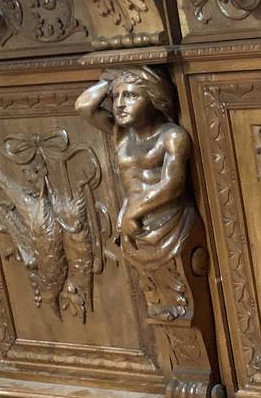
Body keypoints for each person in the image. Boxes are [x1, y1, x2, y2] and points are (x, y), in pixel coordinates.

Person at [75, 67, 196, 321]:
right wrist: (110, 79)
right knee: (152, 290)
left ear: (154, 97)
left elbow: (173, 184)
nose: (119, 104)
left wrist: (133, 212)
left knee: (179, 289)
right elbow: (84, 106)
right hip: (136, 228)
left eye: (130, 95)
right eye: (116, 96)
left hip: (168, 222)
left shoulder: (171, 136)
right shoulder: (121, 135)